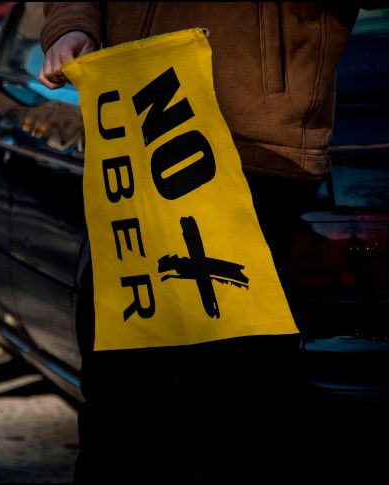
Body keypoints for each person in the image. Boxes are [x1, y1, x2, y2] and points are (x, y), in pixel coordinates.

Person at [38, 3, 382, 483]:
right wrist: (69, 26)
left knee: (237, 405)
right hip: (135, 124)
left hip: (257, 147)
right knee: (123, 393)